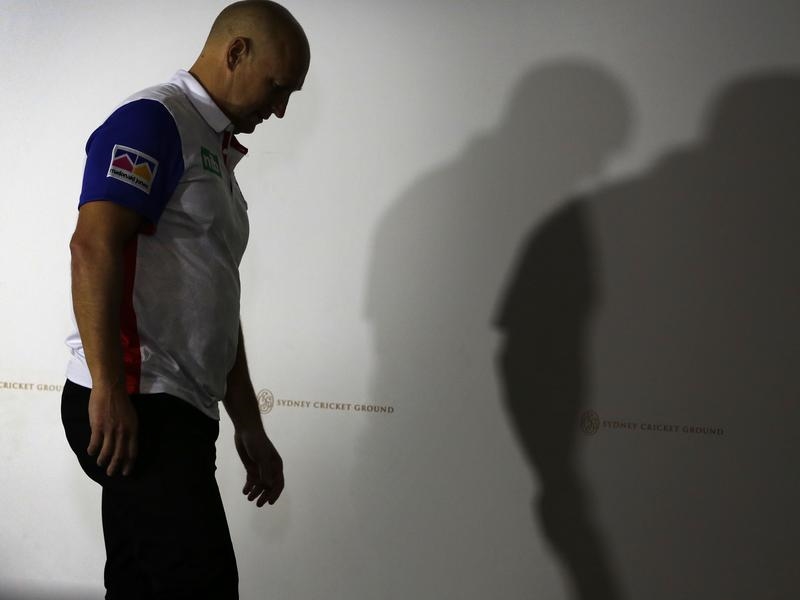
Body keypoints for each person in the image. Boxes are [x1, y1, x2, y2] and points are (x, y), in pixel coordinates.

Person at [60, 1, 310, 598]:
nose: (280, 109)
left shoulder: (213, 148)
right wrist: (109, 387)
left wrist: (247, 422)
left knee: (141, 581)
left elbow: (216, 299)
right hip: (138, 398)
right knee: (201, 583)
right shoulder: (154, 120)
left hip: (179, 407)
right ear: (236, 52)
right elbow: (92, 246)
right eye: (277, 87)